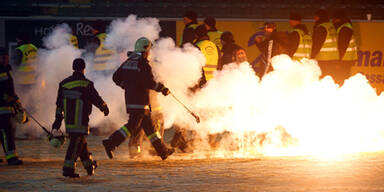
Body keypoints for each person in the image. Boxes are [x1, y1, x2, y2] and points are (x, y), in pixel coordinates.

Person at [102, 37, 174, 161]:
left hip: (131, 100)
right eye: (149, 50)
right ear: (145, 50)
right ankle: (111, 142)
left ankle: (162, 151)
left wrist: (125, 86)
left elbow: (115, 78)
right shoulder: (143, 64)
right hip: (141, 102)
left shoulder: (128, 62)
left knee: (150, 128)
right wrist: (163, 89)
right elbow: (150, 83)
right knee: (132, 125)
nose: (150, 53)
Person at [52, 58, 110, 178]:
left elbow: (59, 105)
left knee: (80, 143)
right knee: (75, 144)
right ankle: (68, 169)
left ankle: (89, 166)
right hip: (81, 120)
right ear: (84, 68)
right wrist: (104, 107)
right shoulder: (86, 84)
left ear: (73, 68)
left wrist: (57, 122)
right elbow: (96, 98)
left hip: (69, 121)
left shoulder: (63, 84)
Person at [0, 47, 27, 165]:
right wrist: (6, 97)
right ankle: (11, 158)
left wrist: (16, 100)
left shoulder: (6, 69)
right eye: (2, 57)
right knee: (7, 131)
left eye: (6, 57)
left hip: (7, 106)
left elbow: (9, 88)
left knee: (5, 132)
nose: (5, 59)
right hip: (1, 106)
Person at [311, 9, 340, 82]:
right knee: (330, 80)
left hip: (324, 59)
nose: (314, 19)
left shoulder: (321, 27)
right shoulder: (331, 26)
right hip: (334, 58)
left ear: (319, 17)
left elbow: (317, 44)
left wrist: (311, 56)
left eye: (315, 17)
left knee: (323, 80)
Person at [332, 9, 358, 85]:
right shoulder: (345, 26)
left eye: (334, 19)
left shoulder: (344, 28)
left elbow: (342, 46)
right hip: (347, 59)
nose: (333, 21)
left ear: (338, 19)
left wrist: (338, 60)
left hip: (344, 60)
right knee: (343, 78)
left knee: (340, 79)